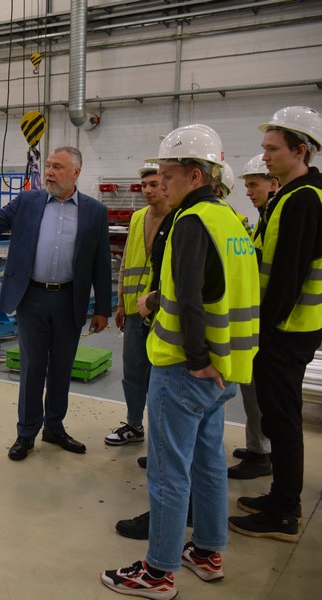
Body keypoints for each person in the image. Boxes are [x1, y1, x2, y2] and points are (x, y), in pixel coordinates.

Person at [102, 124, 259, 599]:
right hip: (225, 369)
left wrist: (194, 358)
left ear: (195, 175)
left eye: (168, 175)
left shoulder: (190, 221)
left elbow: (189, 298)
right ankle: (207, 552)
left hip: (185, 369)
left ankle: (158, 572)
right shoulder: (230, 219)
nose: (161, 184)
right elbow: (216, 290)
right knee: (208, 464)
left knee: (168, 473)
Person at [0, 146, 111, 461]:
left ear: (76, 173)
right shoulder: (28, 201)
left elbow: (101, 262)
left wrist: (101, 309)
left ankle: (54, 428)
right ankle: (27, 432)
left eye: (58, 167)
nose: (49, 172)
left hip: (70, 299)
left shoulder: (94, 211)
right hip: (32, 297)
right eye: (49, 165)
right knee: (32, 368)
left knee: (62, 367)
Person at [229, 106, 322, 542]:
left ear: (299, 150)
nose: (264, 156)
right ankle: (280, 496)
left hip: (287, 330)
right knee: (278, 416)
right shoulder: (292, 195)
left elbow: (288, 276)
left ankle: (285, 510)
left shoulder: (304, 199)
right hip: (289, 328)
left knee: (282, 420)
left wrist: (263, 332)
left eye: (272, 149)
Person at [105, 162, 171, 447]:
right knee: (132, 371)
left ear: (166, 185)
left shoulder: (178, 217)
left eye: (154, 184)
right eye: (144, 185)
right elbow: (125, 266)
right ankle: (134, 424)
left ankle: (162, 432)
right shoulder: (137, 218)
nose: (147, 190)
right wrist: (121, 303)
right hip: (134, 311)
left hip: (164, 312)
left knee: (161, 374)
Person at [228, 154, 279, 480]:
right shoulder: (265, 217)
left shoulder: (277, 217)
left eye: (253, 185)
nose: (248, 192)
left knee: (259, 391)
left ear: (273, 183)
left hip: (268, 323)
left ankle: (262, 454)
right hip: (259, 319)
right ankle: (258, 446)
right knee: (253, 389)